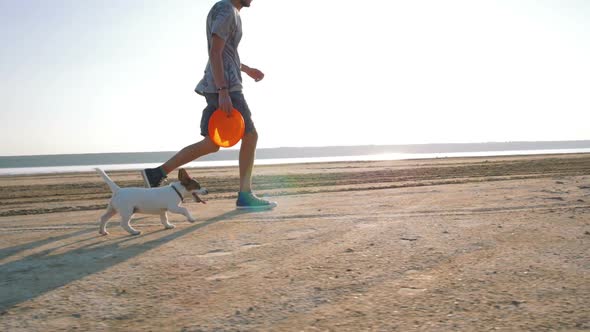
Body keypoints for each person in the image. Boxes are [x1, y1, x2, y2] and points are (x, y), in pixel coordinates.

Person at [141, 0, 277, 210]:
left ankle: (156, 173)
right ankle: (245, 195)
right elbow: (215, 52)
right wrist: (223, 90)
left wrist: (247, 69)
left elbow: (224, 52)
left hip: (218, 83)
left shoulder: (228, 10)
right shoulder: (226, 10)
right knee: (250, 135)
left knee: (213, 143)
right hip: (226, 86)